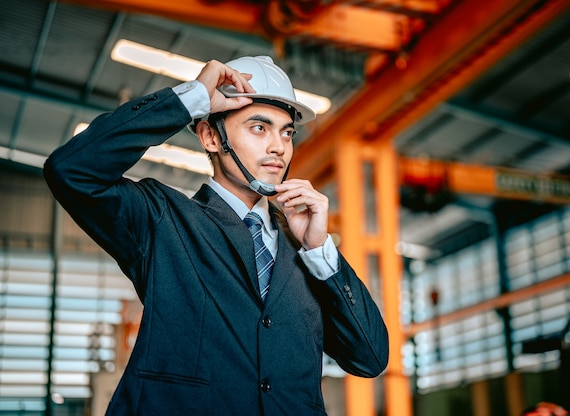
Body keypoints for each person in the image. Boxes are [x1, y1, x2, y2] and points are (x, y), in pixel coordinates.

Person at [43, 55, 389, 415]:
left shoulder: (305, 249)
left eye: (286, 132)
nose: (278, 147)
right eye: (259, 127)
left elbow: (369, 357)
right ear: (210, 136)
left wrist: (319, 249)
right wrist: (190, 98)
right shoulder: (162, 220)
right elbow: (71, 170)